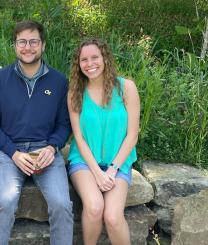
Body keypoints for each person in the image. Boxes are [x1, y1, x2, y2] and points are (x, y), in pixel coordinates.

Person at [0, 20, 73, 245]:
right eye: (22, 41)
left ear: (43, 45)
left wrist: (52, 147)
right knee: (5, 201)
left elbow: (65, 124)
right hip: (8, 152)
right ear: (15, 45)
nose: (28, 47)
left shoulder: (59, 81)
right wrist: (13, 153)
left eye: (33, 41)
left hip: (45, 150)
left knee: (62, 204)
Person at [67, 38, 140, 245]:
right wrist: (97, 173)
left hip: (118, 161)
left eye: (95, 58)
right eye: (84, 60)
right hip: (84, 161)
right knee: (94, 207)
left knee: (113, 217)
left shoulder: (126, 88)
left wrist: (112, 169)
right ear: (78, 64)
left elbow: (132, 134)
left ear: (105, 58)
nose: (90, 64)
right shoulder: (75, 93)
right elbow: (78, 137)